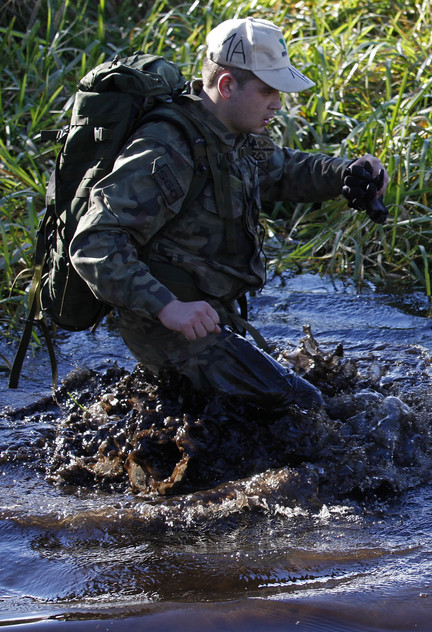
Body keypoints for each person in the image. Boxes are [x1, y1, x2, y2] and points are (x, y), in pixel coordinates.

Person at [70, 17, 388, 412]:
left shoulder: (230, 134)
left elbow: (284, 169)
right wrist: (169, 307)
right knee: (303, 406)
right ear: (226, 86)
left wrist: (347, 173)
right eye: (268, 90)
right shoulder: (166, 149)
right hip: (170, 328)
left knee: (314, 398)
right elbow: (94, 243)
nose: (278, 103)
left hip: (209, 316)